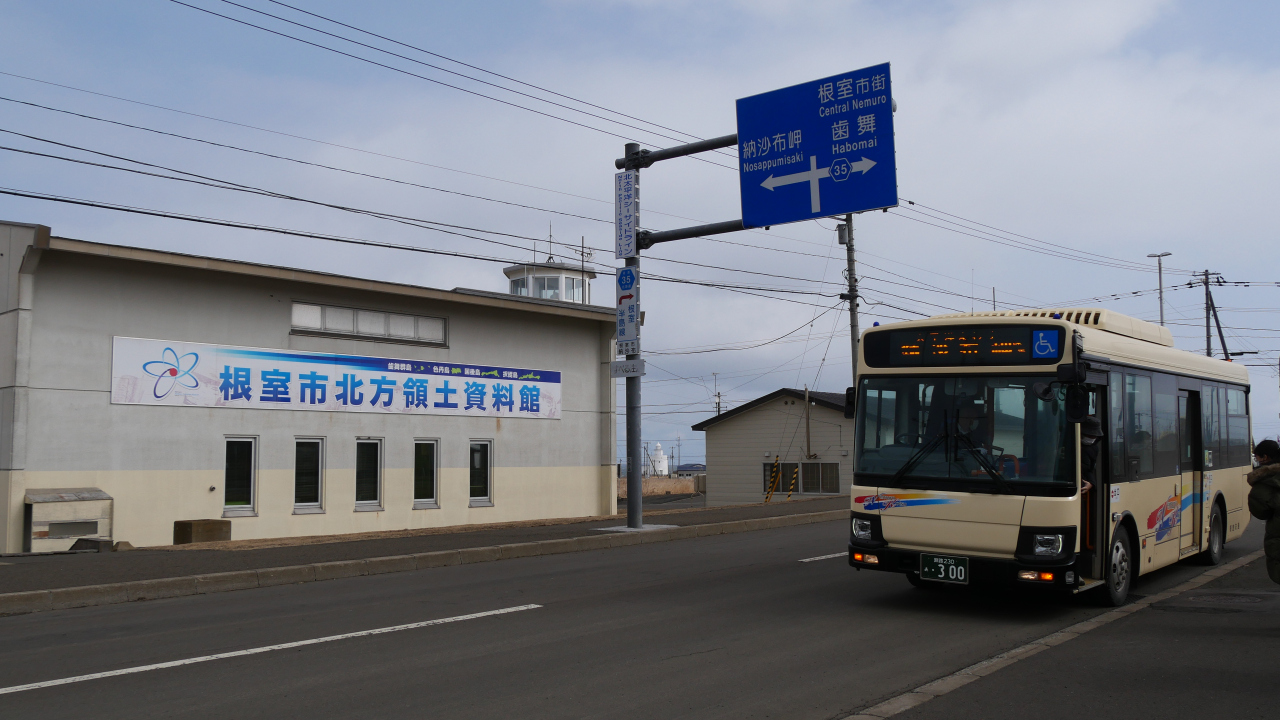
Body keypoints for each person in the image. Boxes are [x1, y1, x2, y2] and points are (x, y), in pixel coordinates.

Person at [1247, 439, 1280, 584]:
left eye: (1257, 457)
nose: (1257, 461)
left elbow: (1260, 510)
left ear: (1265, 457)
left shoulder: (1266, 480)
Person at [1079, 415, 1103, 494]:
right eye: (1089, 435)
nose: (1092, 438)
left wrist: (1091, 483)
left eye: (1094, 436)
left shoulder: (1093, 449)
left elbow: (1089, 470)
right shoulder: (1067, 444)